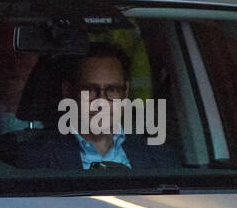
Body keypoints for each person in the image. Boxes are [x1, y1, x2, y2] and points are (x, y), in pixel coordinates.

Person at [14, 42, 178, 170]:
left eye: (112, 90)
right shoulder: (35, 158)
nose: (102, 102)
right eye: (90, 90)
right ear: (68, 91)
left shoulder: (160, 158)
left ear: (125, 92)